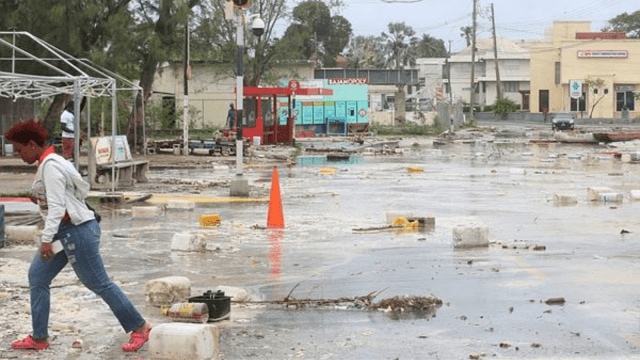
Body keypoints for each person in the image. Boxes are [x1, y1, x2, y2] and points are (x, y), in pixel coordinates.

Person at [4, 119, 151, 353]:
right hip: (67, 232)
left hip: (75, 231)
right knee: (38, 276)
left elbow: (57, 208)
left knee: (98, 282)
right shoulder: (55, 161)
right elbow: (79, 190)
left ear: (32, 144)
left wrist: (45, 240)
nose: (19, 155)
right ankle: (39, 337)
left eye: (20, 149)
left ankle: (140, 327)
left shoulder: (50, 166)